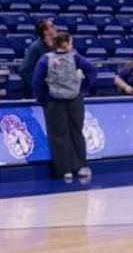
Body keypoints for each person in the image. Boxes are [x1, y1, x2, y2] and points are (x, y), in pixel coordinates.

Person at [33, 31, 97, 182]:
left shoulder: (45, 59)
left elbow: (37, 80)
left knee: (58, 136)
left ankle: (64, 170)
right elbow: (92, 70)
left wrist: (42, 98)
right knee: (77, 132)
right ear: (66, 43)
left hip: (54, 102)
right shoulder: (75, 58)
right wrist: (83, 88)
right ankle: (81, 167)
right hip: (75, 100)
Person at [19, 18, 56, 99]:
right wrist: (38, 85)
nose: (55, 29)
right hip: (40, 93)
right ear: (45, 31)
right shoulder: (35, 47)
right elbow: (24, 71)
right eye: (52, 26)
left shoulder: (57, 45)